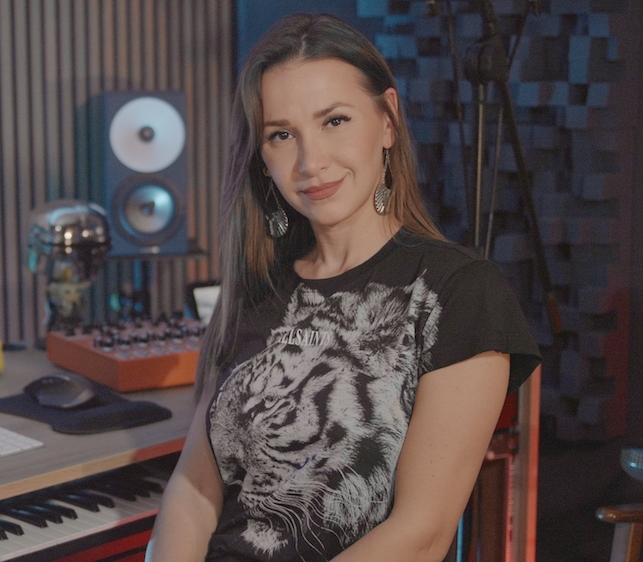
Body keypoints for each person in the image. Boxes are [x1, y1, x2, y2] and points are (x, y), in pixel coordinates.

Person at [145, 13, 541, 562]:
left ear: (387, 120)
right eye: (282, 135)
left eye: (334, 121)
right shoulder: (257, 290)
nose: (311, 162)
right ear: (263, 158)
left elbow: (422, 534)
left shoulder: (460, 292)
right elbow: (194, 491)